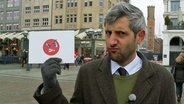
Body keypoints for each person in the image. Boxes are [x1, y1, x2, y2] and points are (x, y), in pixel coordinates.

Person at [33, 2, 176, 104]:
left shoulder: (162, 78)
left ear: (139, 36)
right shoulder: (87, 73)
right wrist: (50, 88)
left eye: (120, 33)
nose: (111, 41)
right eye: (108, 33)